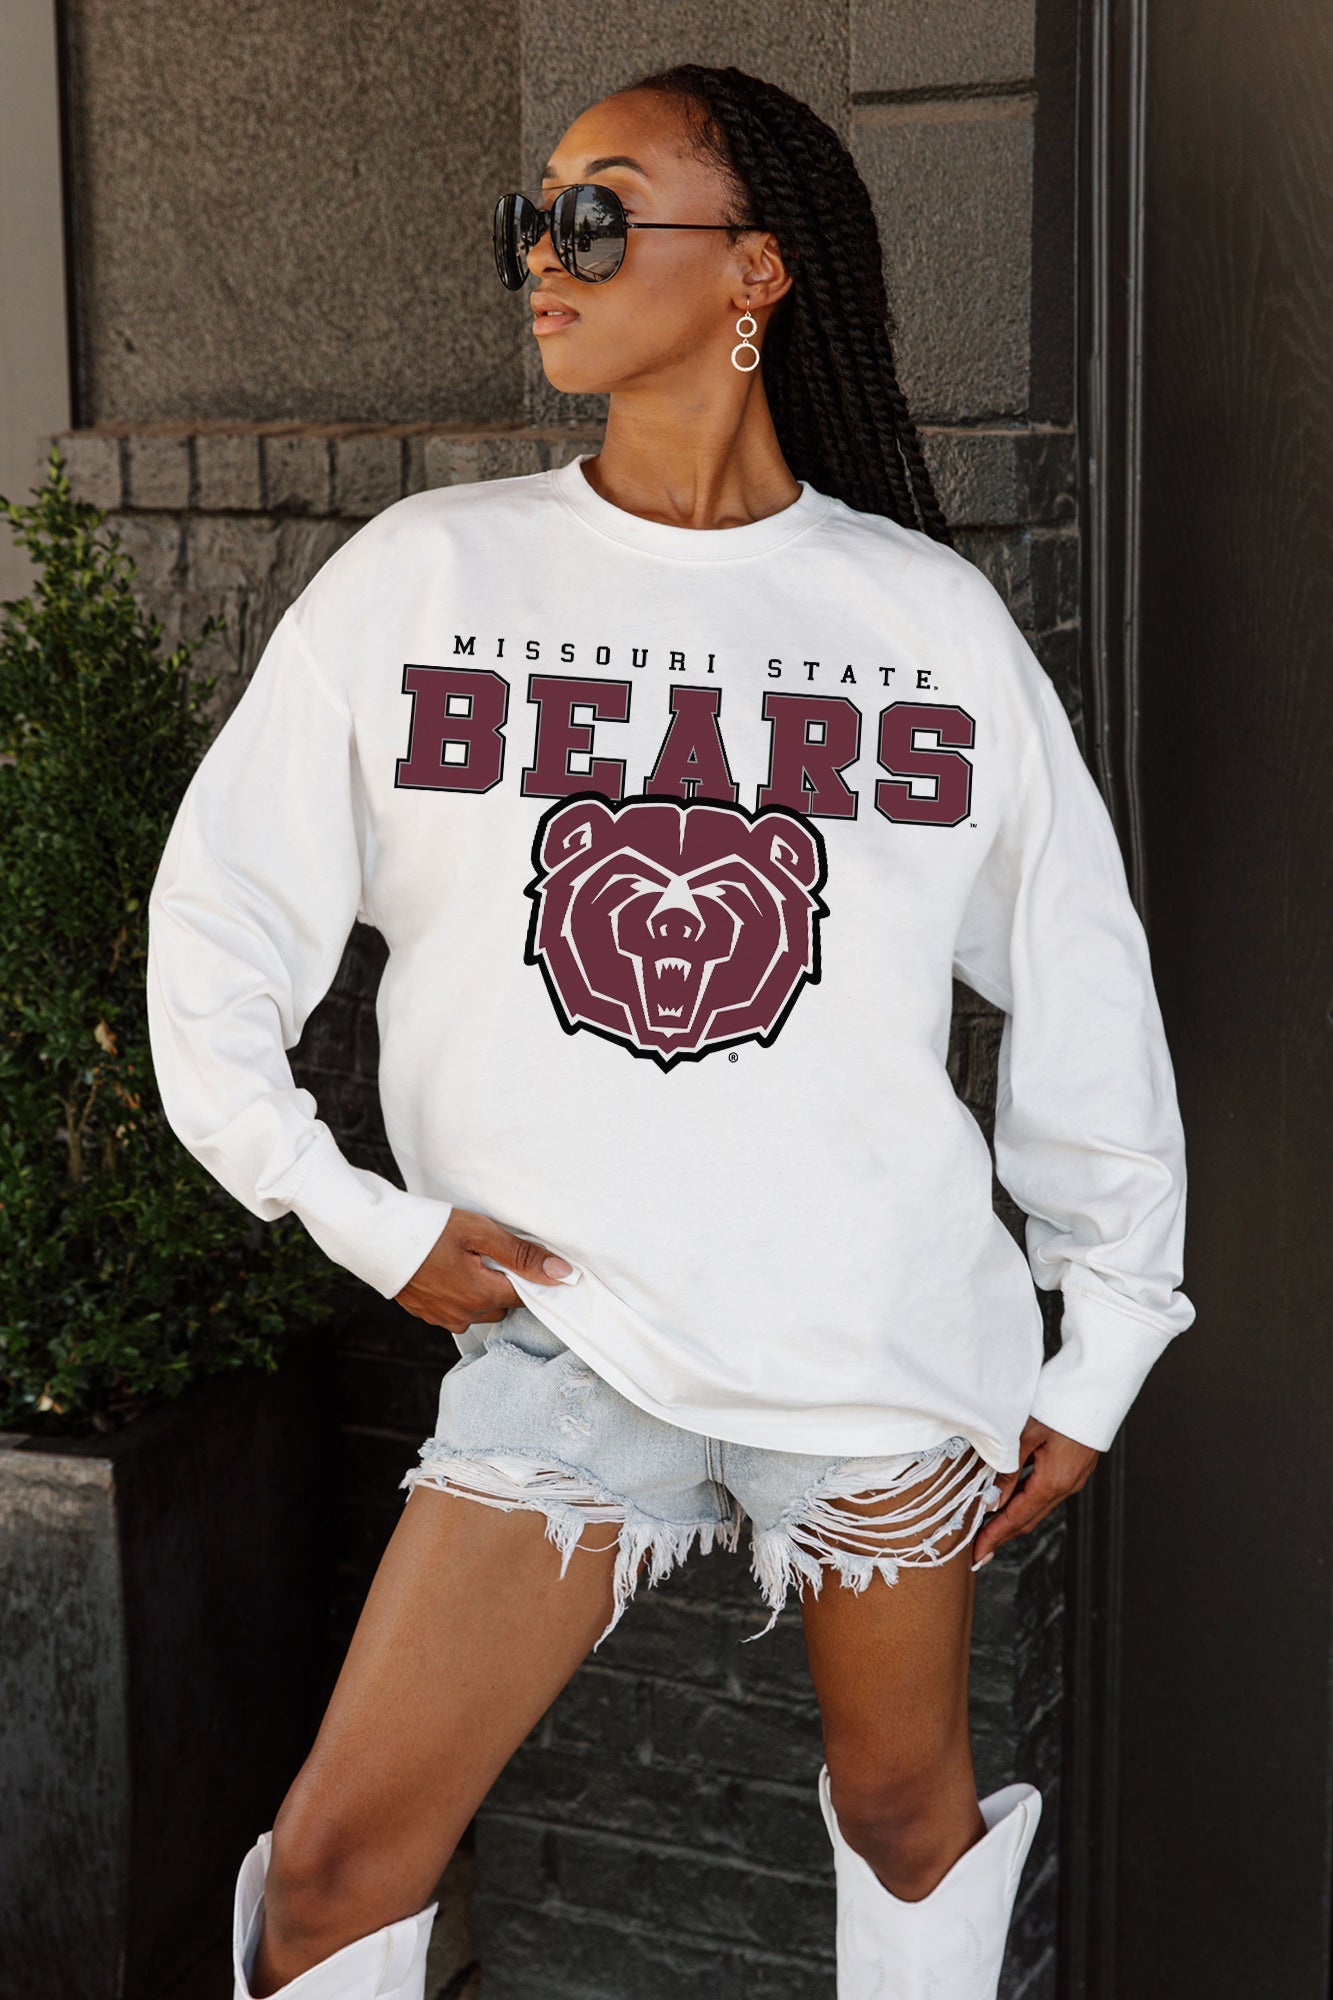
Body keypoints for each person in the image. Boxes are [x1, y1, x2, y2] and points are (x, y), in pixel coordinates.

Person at [145, 62, 1194, 2000]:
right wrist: (357, 1215)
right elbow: (216, 926)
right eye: (531, 217)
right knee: (334, 1875)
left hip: (873, 1349)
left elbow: (1079, 975)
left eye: (596, 213)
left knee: (907, 1817)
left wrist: (1108, 1319)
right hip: (569, 1338)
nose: (542, 257)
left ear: (756, 269)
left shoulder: (919, 618)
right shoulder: (428, 575)